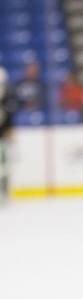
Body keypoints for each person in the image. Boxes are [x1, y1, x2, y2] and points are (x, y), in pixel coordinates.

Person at [0, 65, 14, 203]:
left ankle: (4, 192)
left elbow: (9, 123)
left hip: (2, 140)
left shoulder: (7, 104)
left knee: (4, 166)